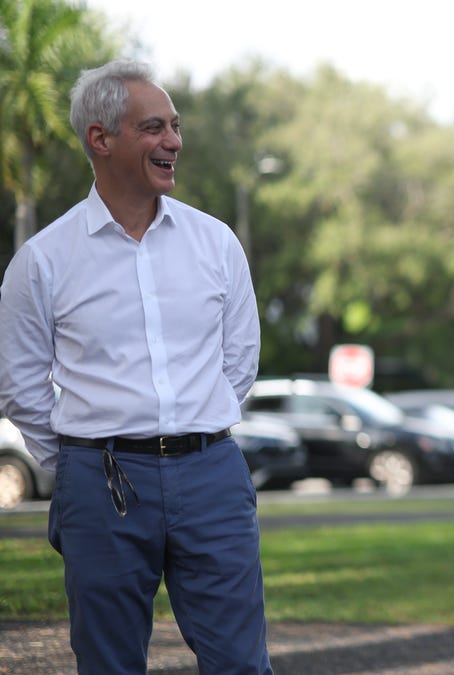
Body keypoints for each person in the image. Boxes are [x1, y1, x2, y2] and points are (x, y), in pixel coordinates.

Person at [0, 60, 272, 674]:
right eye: (154, 127)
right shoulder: (42, 261)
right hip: (101, 484)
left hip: (214, 478)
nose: (174, 141)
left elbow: (240, 360)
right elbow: (20, 386)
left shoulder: (217, 243)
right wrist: (82, 462)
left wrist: (192, 434)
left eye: (175, 126)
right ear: (101, 139)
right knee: (109, 665)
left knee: (241, 664)